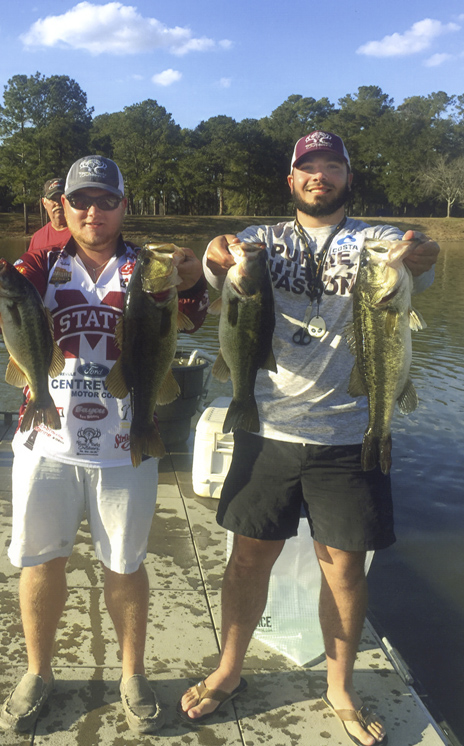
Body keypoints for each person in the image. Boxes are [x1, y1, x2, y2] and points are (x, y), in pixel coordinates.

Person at [178, 131, 439, 746]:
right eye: (308, 168)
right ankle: (229, 670)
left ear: (348, 177)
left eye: (331, 166)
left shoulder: (376, 240)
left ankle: (339, 685)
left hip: (351, 434)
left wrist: (423, 251)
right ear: (291, 180)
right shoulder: (261, 240)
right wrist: (216, 258)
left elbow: (414, 258)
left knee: (345, 570)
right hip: (266, 427)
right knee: (247, 559)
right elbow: (222, 274)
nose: (319, 175)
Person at [0, 155, 208, 734]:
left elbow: (190, 318)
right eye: (80, 200)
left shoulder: (149, 266)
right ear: (61, 207)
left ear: (123, 205)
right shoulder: (41, 261)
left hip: (124, 442)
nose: (93, 211)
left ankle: (132, 673)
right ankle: (39, 672)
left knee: (125, 563)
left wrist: (191, 279)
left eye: (105, 200)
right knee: (41, 561)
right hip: (46, 439)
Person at [27, 177, 71, 252]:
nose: (58, 203)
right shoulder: (37, 238)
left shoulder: (81, 232)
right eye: (53, 199)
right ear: (44, 202)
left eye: (62, 198)